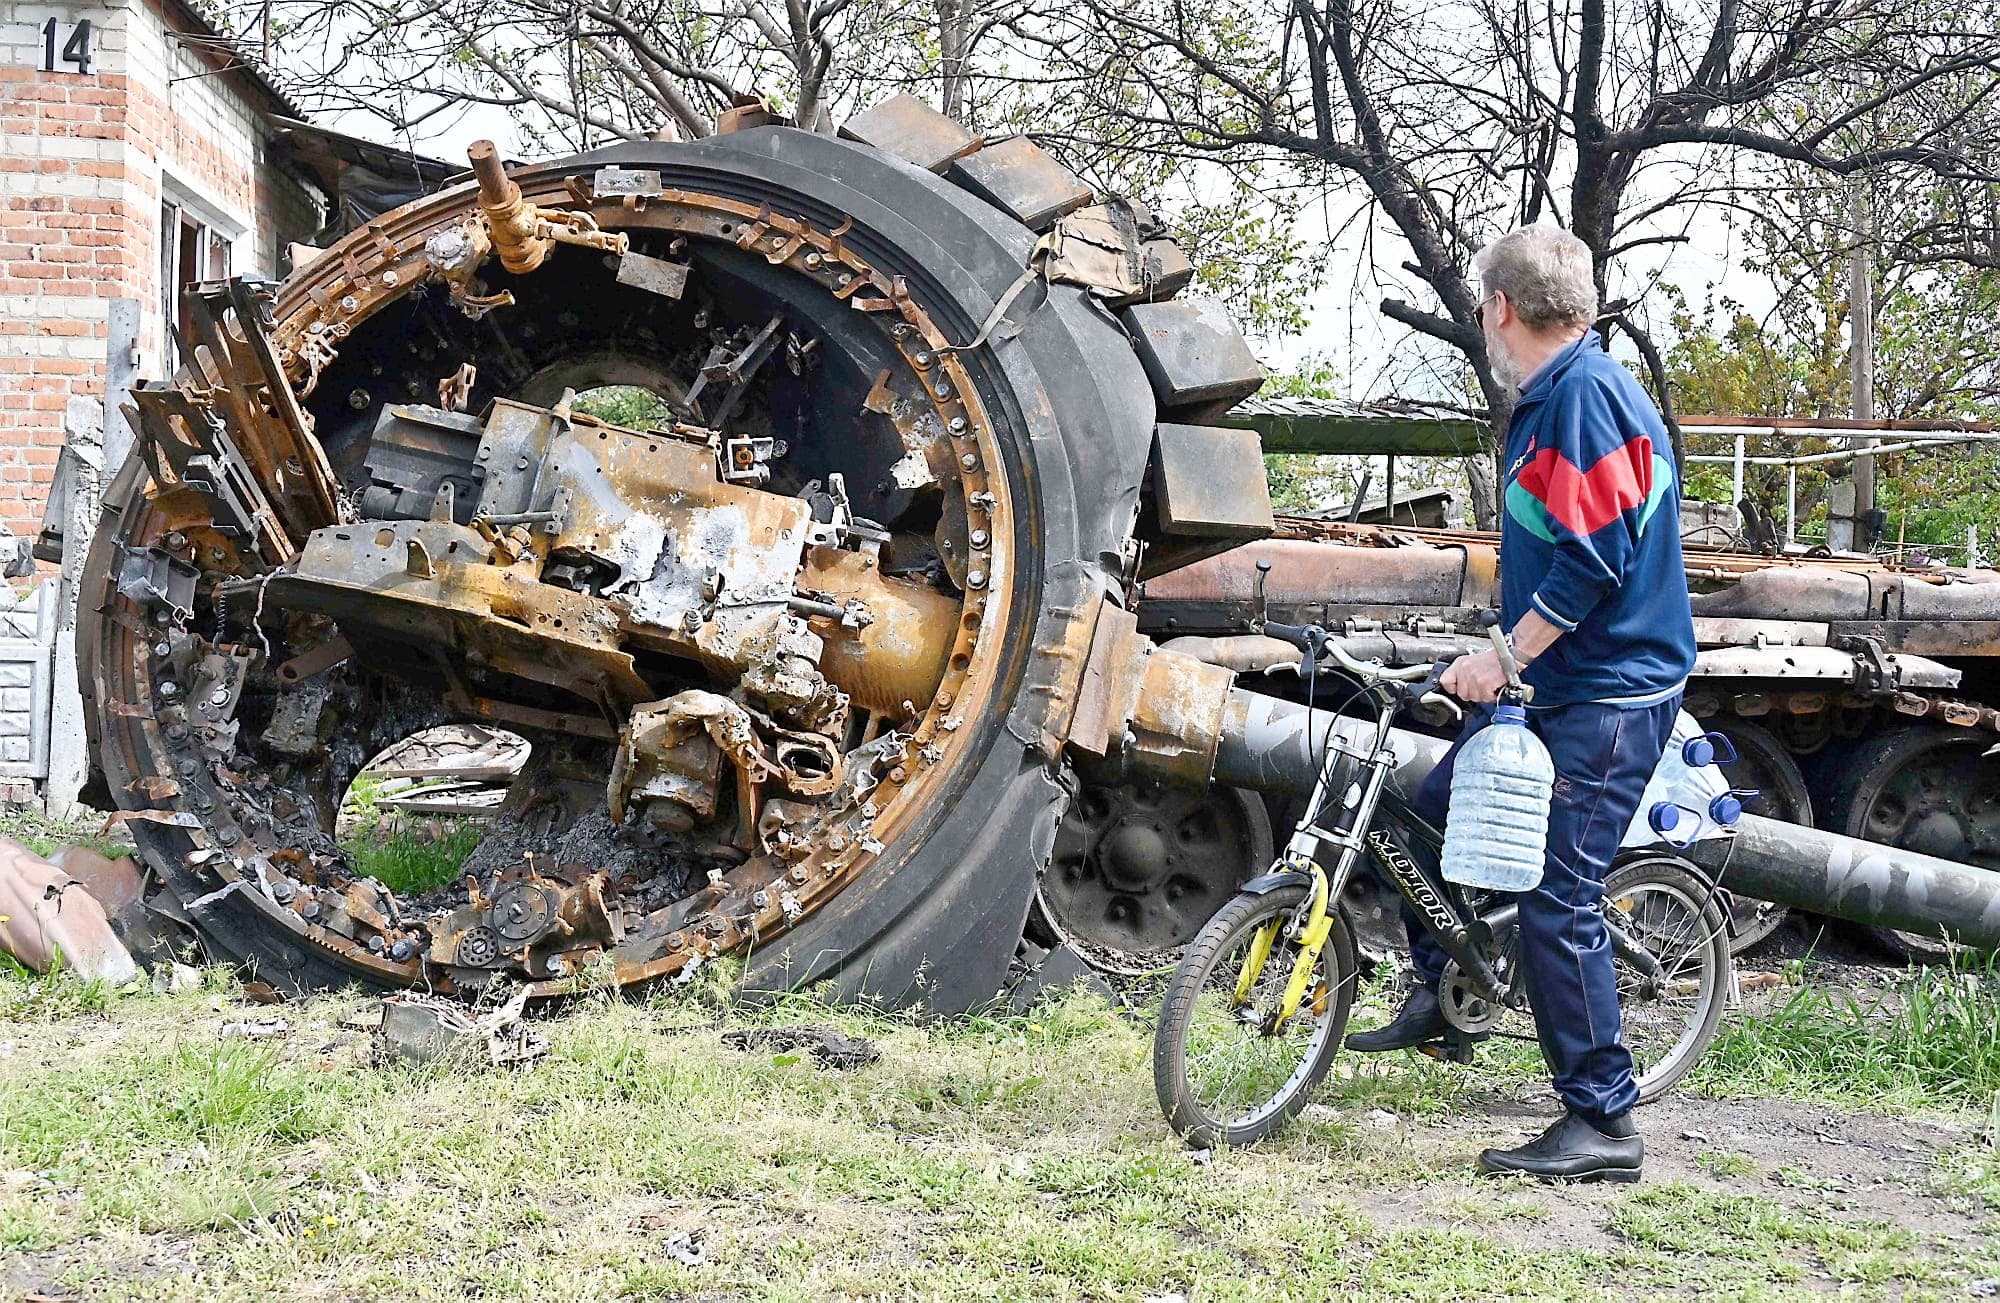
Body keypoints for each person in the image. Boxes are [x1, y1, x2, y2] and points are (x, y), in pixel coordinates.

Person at [1344, 225, 1697, 1184]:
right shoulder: (1553, 396)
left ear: (1501, 308)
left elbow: (1593, 561)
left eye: (1482, 307)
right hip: (1558, 684)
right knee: (1420, 816)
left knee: (1557, 895)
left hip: (1611, 691)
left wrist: (1502, 654)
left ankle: (1603, 1120)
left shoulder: (1586, 397)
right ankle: (1440, 994)